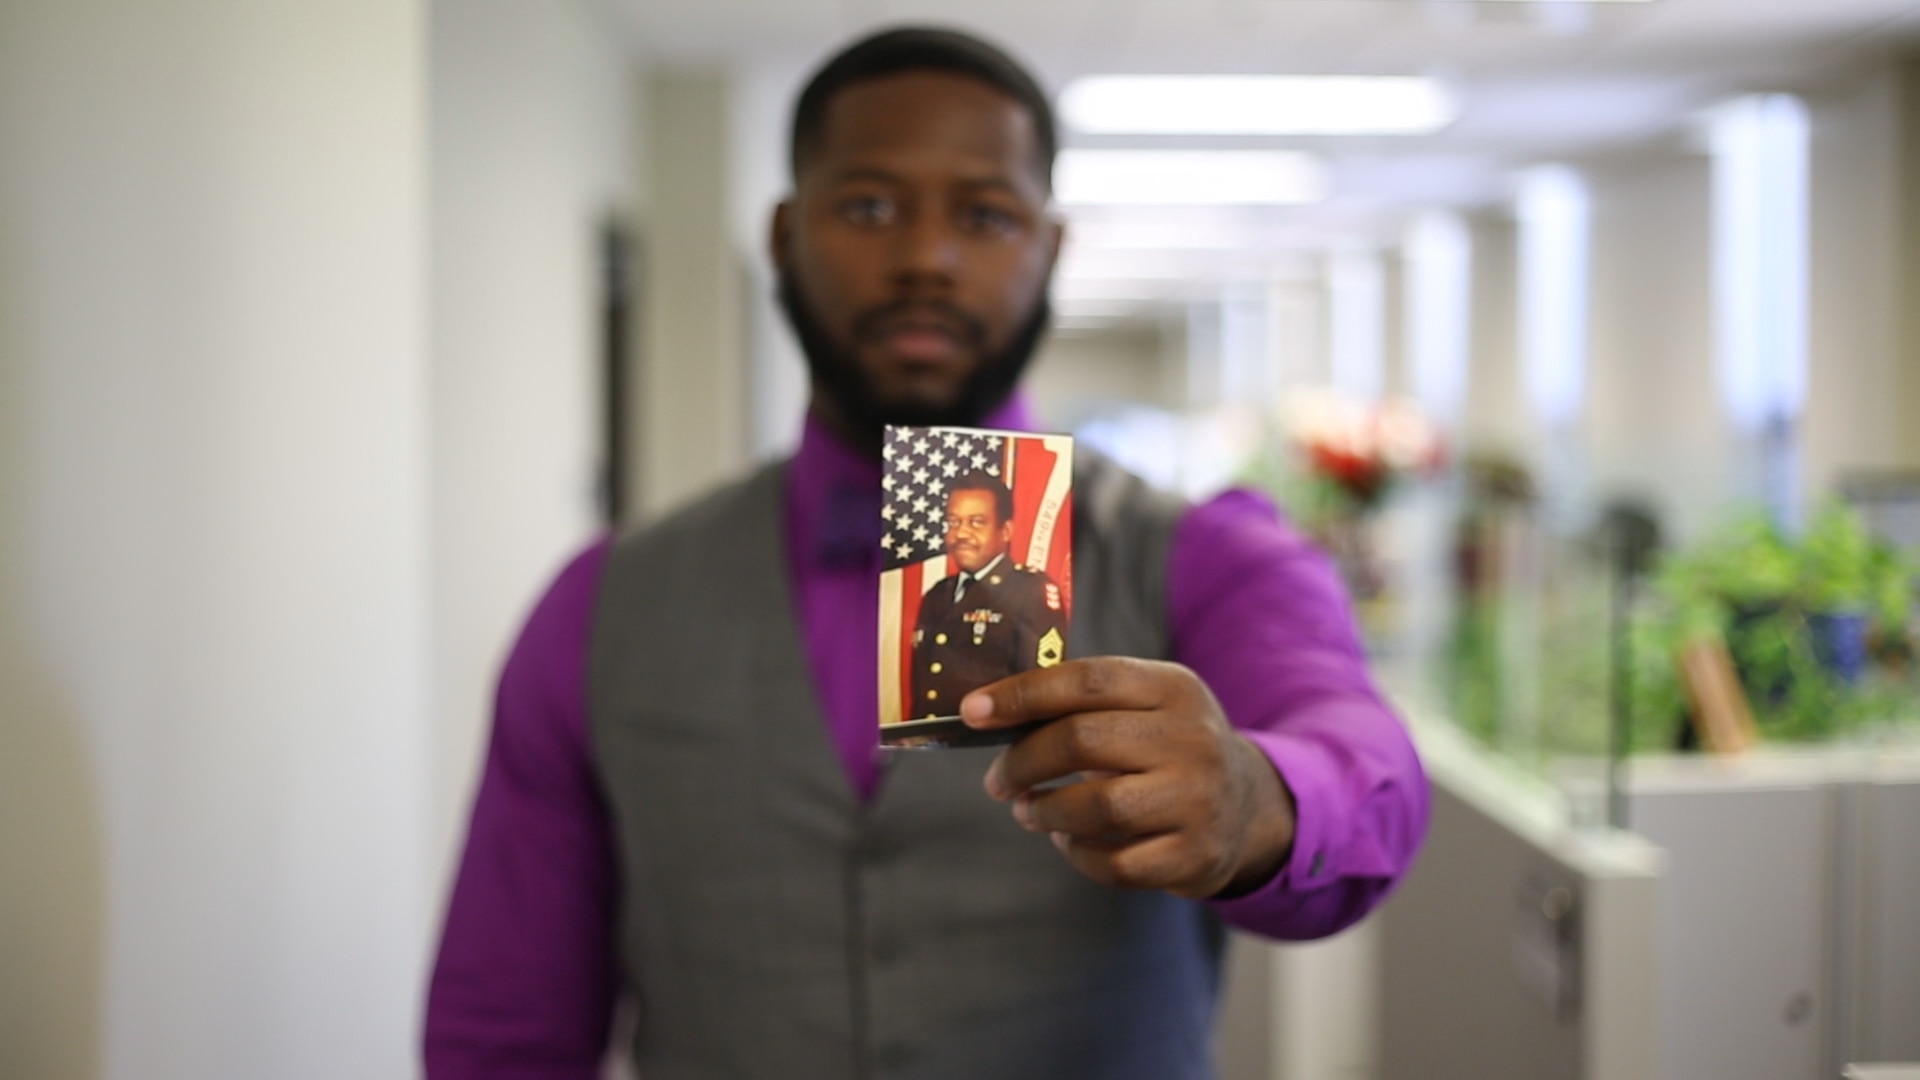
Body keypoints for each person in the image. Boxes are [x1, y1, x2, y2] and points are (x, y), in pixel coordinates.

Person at [424, 25, 1429, 1080]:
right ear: (782, 234)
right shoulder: (603, 608)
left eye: (985, 215)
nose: (925, 258)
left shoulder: (1201, 556)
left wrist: (1256, 799)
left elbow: (1367, 760)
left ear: (1050, 249)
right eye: (868, 206)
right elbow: (507, 1027)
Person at [909, 469, 1067, 719]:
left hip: (994, 749)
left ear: (1005, 531)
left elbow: (1042, 691)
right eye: (953, 522)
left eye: (976, 522)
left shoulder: (1031, 591)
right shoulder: (937, 595)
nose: (960, 533)